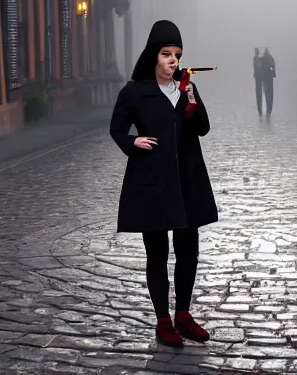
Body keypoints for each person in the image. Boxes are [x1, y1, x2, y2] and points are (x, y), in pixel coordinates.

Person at [110, 20, 218, 348]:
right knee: (156, 254)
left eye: (177, 54)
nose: (172, 60)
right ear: (153, 56)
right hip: (152, 182)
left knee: (188, 253)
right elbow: (116, 129)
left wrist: (191, 101)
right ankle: (163, 321)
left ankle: (183, 315)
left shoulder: (187, 87)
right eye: (166, 53)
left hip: (187, 182)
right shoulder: (134, 91)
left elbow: (203, 129)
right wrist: (133, 143)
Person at [261, 48, 276, 116]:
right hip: (268, 79)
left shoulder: (266, 59)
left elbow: (272, 67)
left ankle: (268, 109)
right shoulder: (270, 58)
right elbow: (272, 68)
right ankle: (269, 109)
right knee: (269, 94)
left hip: (266, 78)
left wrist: (270, 69)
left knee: (268, 93)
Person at [253, 47, 263, 117]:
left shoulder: (257, 58)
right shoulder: (256, 58)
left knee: (258, 91)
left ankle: (260, 108)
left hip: (258, 76)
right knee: (258, 91)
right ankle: (260, 109)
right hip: (258, 76)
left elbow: (257, 66)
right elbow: (257, 66)